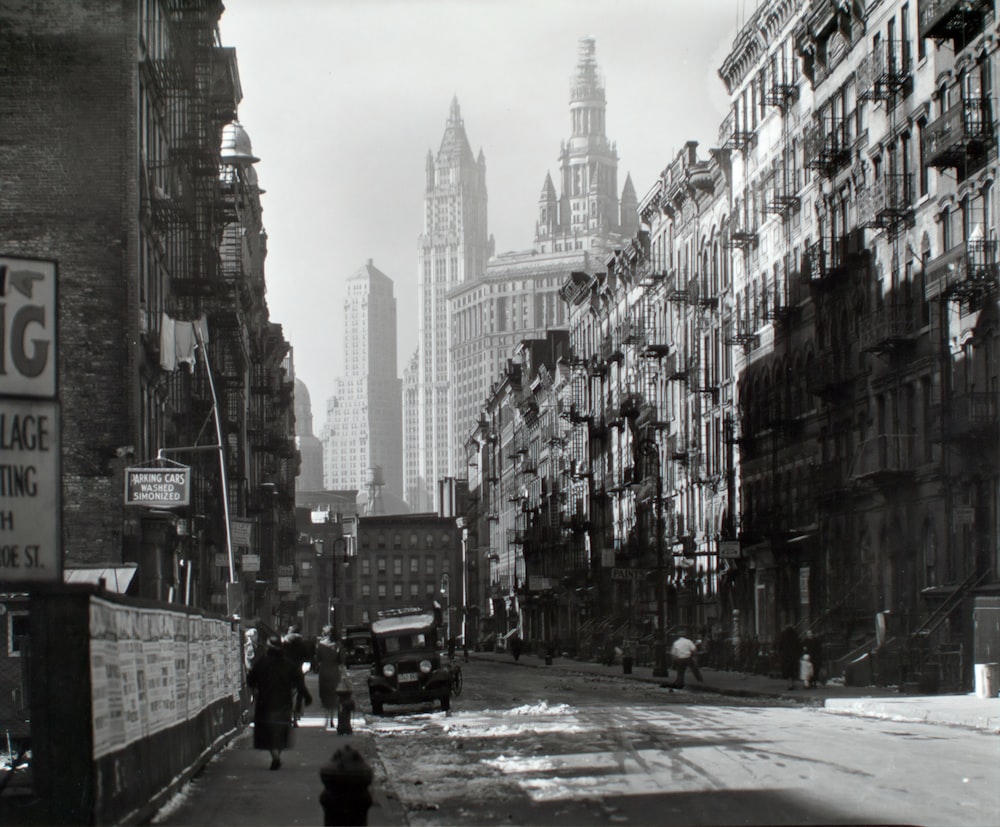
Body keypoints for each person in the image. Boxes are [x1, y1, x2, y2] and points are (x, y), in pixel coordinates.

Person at [247, 636, 311, 770]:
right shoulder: (288, 664)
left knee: (267, 732)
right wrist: (307, 696)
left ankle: (275, 756)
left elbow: (251, 680)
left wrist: (257, 684)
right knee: (280, 731)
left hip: (265, 703)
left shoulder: (262, 663)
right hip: (284, 703)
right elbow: (299, 682)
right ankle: (277, 755)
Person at [314, 626, 344, 729]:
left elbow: (317, 659)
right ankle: (332, 719)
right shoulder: (338, 645)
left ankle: (326, 719)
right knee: (333, 696)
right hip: (334, 672)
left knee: (324, 695)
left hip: (324, 672)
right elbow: (341, 660)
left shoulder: (321, 645)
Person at [282, 624, 311, 725]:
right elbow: (307, 657)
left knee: (287, 693)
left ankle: (288, 713)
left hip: (285, 671)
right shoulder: (302, 642)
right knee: (300, 691)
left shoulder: (284, 641)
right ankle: (297, 713)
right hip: (298, 670)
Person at [778, 625, 801, 689]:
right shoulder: (795, 635)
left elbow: (780, 645)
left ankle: (790, 684)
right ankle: (792, 683)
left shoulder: (783, 635)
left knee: (788, 671)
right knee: (793, 671)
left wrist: (781, 652)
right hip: (794, 656)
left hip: (786, 656)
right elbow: (799, 646)